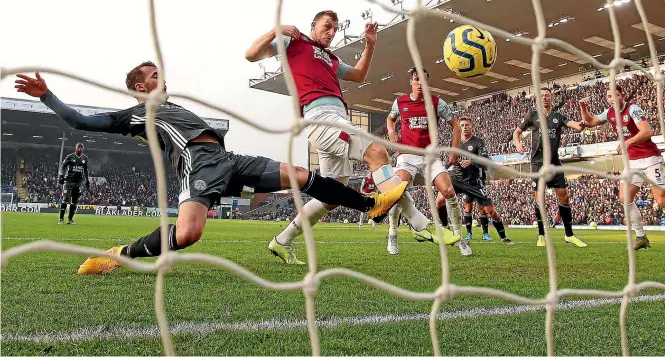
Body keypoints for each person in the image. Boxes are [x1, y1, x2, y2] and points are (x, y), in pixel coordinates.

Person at [14, 65, 407, 273]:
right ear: (139, 86)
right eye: (153, 75)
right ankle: (119, 254)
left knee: (302, 177)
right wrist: (47, 95)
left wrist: (247, 191)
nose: (160, 78)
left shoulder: (173, 106)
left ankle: (369, 205)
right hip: (196, 166)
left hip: (228, 160)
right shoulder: (136, 115)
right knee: (188, 235)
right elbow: (81, 122)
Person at [247, 10, 441, 264]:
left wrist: (370, 46)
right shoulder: (294, 42)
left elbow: (359, 75)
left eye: (335, 29)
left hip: (334, 118)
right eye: (327, 26)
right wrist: (277, 29)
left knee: (332, 193)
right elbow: (251, 54)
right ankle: (418, 222)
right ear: (313, 25)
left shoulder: (331, 58)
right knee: (378, 152)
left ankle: (282, 240)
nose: (331, 32)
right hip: (322, 116)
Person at [386, 67, 465, 256]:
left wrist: (454, 150)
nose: (419, 83)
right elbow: (391, 120)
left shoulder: (437, 102)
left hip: (430, 156)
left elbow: (455, 126)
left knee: (449, 191)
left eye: (423, 80)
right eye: (416, 79)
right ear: (411, 82)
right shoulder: (400, 102)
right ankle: (392, 234)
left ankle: (459, 237)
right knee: (396, 192)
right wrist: (392, 132)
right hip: (407, 157)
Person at [580, 85, 665, 250]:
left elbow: (647, 131)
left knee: (661, 200)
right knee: (625, 198)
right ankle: (641, 237)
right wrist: (584, 108)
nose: (612, 99)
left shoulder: (633, 109)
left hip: (650, 158)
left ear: (622, 96)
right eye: (609, 96)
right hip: (632, 162)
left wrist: (628, 141)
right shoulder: (609, 113)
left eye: (616, 95)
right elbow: (590, 122)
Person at [513, 87, 588, 247]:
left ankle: (569, 235)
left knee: (564, 197)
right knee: (539, 199)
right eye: (541, 96)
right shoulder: (532, 115)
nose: (544, 98)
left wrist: (582, 118)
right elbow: (516, 132)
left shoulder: (557, 116)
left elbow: (578, 126)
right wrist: (518, 143)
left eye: (547, 95)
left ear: (551, 98)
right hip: (537, 164)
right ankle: (541, 235)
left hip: (554, 163)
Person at [444, 116, 513, 245]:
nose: (464, 127)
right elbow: (449, 161)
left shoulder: (478, 142)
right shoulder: (455, 143)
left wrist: (471, 161)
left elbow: (485, 160)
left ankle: (503, 237)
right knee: (441, 199)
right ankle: (445, 230)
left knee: (490, 211)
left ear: (471, 126)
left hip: (475, 181)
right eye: (462, 125)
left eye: (467, 125)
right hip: (457, 179)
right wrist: (441, 171)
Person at [57, 142, 89, 225]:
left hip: (78, 182)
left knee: (74, 201)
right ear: (75, 148)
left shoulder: (85, 158)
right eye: (79, 147)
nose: (80, 149)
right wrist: (61, 175)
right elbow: (62, 167)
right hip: (68, 181)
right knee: (66, 199)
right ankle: (61, 219)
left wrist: (87, 180)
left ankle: (70, 219)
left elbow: (85, 170)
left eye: (81, 147)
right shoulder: (70, 157)